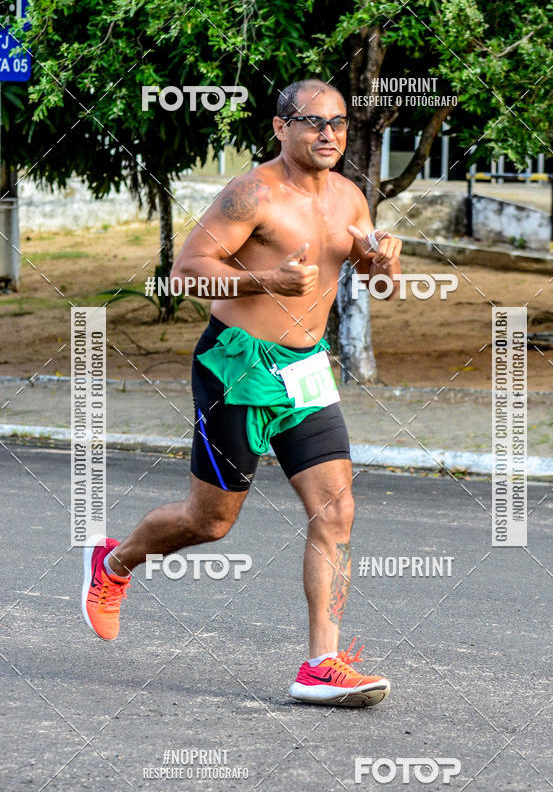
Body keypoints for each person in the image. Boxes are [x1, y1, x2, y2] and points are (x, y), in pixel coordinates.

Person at [82, 78, 402, 707]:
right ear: (280, 128)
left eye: (337, 122)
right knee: (211, 522)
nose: (328, 134)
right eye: (312, 122)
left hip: (305, 368)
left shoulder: (350, 198)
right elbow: (185, 271)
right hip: (236, 367)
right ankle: (114, 564)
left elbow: (376, 285)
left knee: (335, 512)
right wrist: (269, 280)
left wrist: (385, 264)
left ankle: (321, 664)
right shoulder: (251, 191)